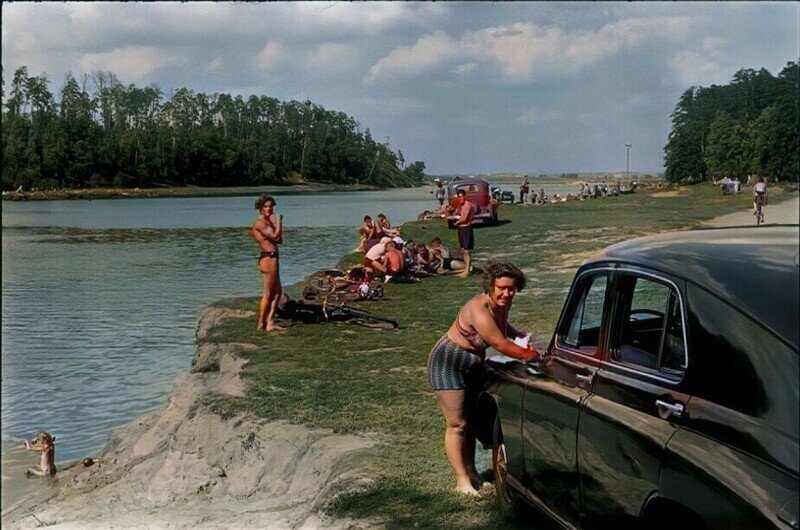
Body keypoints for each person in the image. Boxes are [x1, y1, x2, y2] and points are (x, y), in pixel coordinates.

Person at [427, 262, 539, 496]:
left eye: (512, 289)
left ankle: (472, 471)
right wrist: (530, 355)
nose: (507, 293)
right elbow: (499, 343)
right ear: (491, 285)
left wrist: (519, 334)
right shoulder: (478, 308)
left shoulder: (502, 306)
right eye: (502, 288)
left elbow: (503, 328)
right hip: (447, 361)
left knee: (470, 419)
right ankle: (462, 481)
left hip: (472, 363)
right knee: (457, 423)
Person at [252, 195, 284, 332]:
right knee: (269, 293)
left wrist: (276, 225)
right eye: (266, 206)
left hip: (273, 257)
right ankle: (261, 324)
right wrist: (279, 222)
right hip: (268, 259)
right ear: (260, 208)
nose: (269, 208)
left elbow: (279, 240)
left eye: (271, 206)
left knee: (277, 292)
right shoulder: (260, 223)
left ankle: (270, 321)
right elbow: (276, 236)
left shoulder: (268, 222)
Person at [454, 189, 476, 278]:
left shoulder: (468, 205)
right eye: (458, 197)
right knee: (463, 250)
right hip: (461, 228)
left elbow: (464, 219)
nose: (460, 199)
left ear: (464, 196)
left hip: (466, 228)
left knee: (466, 251)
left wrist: (455, 222)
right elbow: (457, 213)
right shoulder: (461, 205)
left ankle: (467, 270)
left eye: (461, 197)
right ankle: (465, 269)